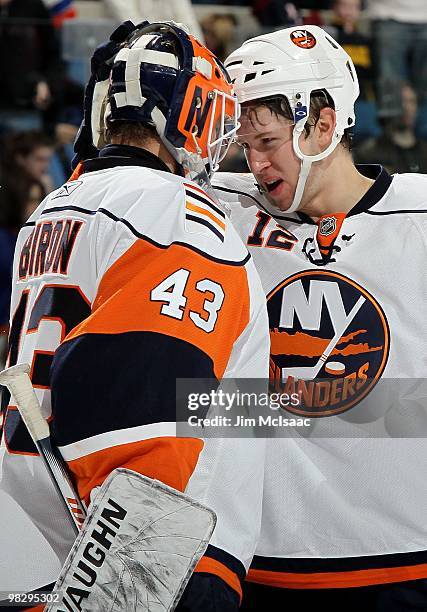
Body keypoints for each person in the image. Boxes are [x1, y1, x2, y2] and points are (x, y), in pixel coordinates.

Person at [0, 21, 269, 611]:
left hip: (37, 530)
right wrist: (124, 582)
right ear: (192, 113)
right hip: (141, 556)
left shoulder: (52, 208)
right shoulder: (178, 215)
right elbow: (141, 398)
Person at [212, 25, 427, 611]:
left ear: (324, 125)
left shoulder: (420, 217)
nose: (254, 163)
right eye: (244, 145)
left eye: (268, 142)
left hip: (403, 567)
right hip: (259, 571)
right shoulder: (214, 212)